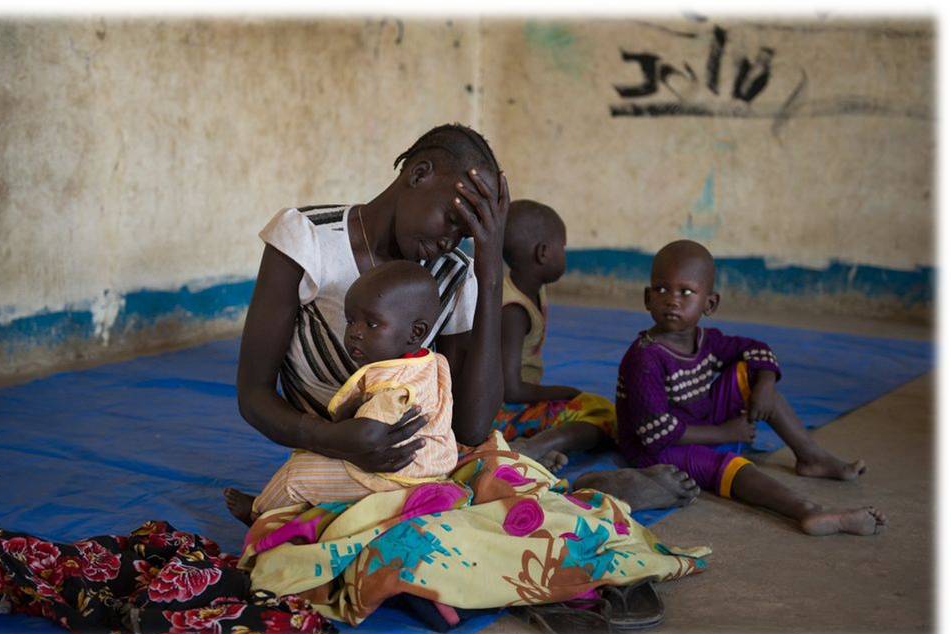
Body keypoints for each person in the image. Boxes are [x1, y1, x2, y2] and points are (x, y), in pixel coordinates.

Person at [224, 123, 696, 519]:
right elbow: (253, 394)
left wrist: (490, 274)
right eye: (453, 220)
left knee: (477, 498)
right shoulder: (307, 239)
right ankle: (565, 489)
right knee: (332, 539)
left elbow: (470, 426)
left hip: (419, 463)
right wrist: (329, 437)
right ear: (419, 174)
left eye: (468, 234)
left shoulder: (454, 275)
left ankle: (598, 491)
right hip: (330, 456)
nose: (453, 242)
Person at [614, 239, 887, 536]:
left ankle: (810, 456)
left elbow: (756, 349)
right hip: (657, 450)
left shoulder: (708, 340)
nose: (672, 300)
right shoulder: (645, 357)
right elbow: (655, 434)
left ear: (710, 304)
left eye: (686, 292)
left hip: (696, 422)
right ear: (647, 298)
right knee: (730, 467)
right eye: (661, 289)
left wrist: (766, 385)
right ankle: (809, 512)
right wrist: (726, 433)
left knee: (752, 373)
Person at [244, 261, 459, 522]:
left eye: (371, 324)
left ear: (416, 332)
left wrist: (329, 439)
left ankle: (259, 515)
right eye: (351, 321)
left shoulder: (394, 384)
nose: (355, 333)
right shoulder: (429, 362)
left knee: (297, 474)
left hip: (397, 477)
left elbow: (367, 437)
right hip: (431, 469)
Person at [492, 201, 618, 470]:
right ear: (543, 253)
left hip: (513, 404)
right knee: (603, 414)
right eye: (563, 247)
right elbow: (510, 389)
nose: (564, 253)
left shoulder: (531, 288)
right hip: (501, 412)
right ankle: (536, 446)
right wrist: (567, 392)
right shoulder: (514, 311)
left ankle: (540, 446)